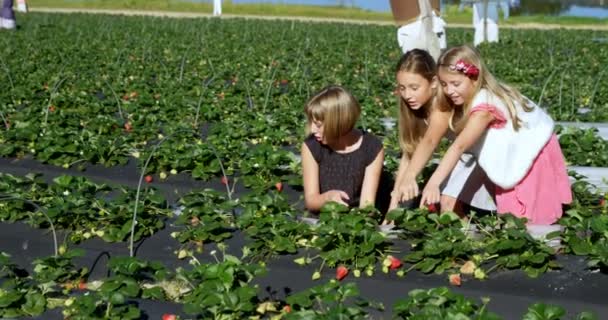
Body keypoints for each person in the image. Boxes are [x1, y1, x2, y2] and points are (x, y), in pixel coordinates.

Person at [420, 45, 572, 225]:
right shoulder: (474, 97)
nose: (449, 90)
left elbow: (459, 146)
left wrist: (433, 182)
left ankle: (546, 244)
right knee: (512, 215)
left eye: (456, 84)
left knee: (528, 216)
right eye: (444, 84)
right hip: (515, 149)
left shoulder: (485, 108)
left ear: (474, 79)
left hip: (533, 152)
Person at [388, 49, 496, 218]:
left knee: (448, 203)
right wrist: (393, 204)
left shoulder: (441, 105)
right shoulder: (414, 109)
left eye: (414, 88)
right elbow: (410, 154)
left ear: (433, 82)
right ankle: (464, 238)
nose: (407, 95)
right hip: (466, 155)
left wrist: (411, 177)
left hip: (482, 151)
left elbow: (430, 140)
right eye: (402, 88)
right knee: (448, 205)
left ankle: (466, 239)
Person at [301, 85, 384, 212]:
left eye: (318, 125)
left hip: (355, 218)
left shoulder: (371, 147)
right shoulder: (312, 146)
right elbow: (311, 201)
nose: (312, 130)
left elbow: (367, 205)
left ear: (338, 123)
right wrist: (327, 198)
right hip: (321, 218)